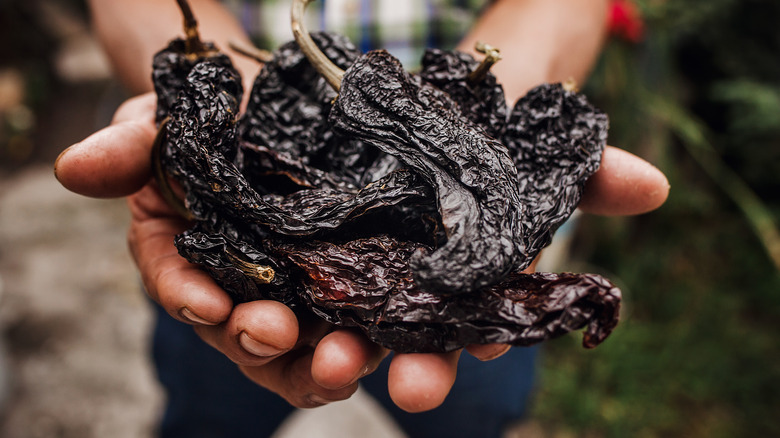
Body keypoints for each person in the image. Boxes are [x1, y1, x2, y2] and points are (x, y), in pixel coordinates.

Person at [55, 0, 670, 436]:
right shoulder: (262, 124)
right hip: (248, 279)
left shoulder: (424, 126)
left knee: (472, 411)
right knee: (210, 415)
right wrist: (189, 106)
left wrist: (487, 95)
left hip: (464, 255)